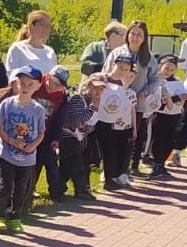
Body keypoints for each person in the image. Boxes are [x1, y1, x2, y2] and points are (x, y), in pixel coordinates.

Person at [0, 66, 46, 233]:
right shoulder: (7, 104)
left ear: (37, 86)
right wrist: (10, 140)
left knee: (21, 186)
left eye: (30, 84)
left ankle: (16, 216)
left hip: (27, 156)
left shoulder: (38, 109)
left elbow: (41, 133)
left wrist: (32, 145)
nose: (25, 87)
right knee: (6, 184)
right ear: (16, 83)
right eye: (22, 83)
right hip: (8, 153)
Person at [96, 50, 140, 190]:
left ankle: (111, 179)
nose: (122, 71)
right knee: (104, 151)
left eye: (126, 69)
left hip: (116, 122)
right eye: (120, 67)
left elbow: (128, 106)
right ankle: (108, 179)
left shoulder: (124, 86)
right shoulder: (102, 78)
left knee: (113, 151)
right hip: (99, 119)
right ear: (114, 64)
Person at [123, 21, 161, 175]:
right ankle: (118, 168)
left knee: (136, 134)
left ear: (144, 37)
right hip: (118, 101)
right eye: (132, 33)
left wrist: (144, 92)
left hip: (138, 102)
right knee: (119, 135)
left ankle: (133, 166)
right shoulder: (118, 52)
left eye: (139, 34)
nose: (135, 37)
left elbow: (154, 80)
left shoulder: (149, 58)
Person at [52, 68, 96, 199]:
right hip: (67, 136)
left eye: (101, 89)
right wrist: (94, 107)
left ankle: (58, 189)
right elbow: (80, 119)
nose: (98, 92)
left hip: (76, 137)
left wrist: (85, 127)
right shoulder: (78, 99)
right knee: (75, 162)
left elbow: (90, 127)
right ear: (88, 86)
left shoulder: (93, 103)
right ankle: (80, 190)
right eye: (95, 88)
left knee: (67, 165)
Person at [32, 65, 70, 200]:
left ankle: (57, 192)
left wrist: (56, 138)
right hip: (28, 132)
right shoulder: (35, 84)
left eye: (60, 85)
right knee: (34, 164)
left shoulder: (62, 95)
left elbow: (59, 118)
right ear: (48, 77)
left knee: (51, 162)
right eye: (55, 83)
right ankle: (28, 191)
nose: (56, 87)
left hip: (47, 133)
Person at [148, 55, 186, 179]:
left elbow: (182, 98)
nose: (168, 72)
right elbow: (158, 100)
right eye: (166, 68)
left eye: (172, 70)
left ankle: (162, 164)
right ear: (160, 67)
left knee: (170, 140)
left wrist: (176, 99)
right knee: (159, 140)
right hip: (160, 115)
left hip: (174, 115)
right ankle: (157, 163)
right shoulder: (156, 81)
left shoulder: (178, 82)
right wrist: (175, 99)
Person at [6, 10, 58, 76]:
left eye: (48, 25)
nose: (46, 29)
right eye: (42, 25)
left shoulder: (50, 51)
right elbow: (11, 76)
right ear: (31, 26)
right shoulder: (17, 48)